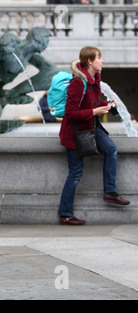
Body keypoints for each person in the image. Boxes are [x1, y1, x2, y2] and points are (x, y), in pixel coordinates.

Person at [57, 46, 130, 225]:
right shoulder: (78, 82)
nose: (102, 61)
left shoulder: (95, 79)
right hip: (76, 133)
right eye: (99, 58)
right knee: (75, 173)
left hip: (91, 127)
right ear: (90, 61)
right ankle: (65, 213)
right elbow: (71, 113)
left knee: (111, 149)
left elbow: (93, 101)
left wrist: (109, 105)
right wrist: (95, 110)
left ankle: (109, 192)